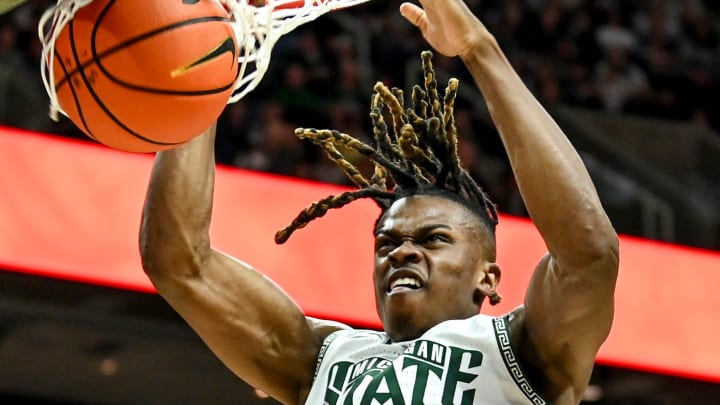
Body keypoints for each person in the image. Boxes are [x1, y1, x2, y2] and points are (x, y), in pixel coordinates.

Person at [139, 0, 619, 404]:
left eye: (433, 240)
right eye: (387, 243)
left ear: (487, 278)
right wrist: (198, 78)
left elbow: (589, 253)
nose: (403, 252)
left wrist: (478, 48)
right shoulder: (321, 357)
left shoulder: (522, 349)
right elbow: (179, 263)